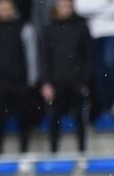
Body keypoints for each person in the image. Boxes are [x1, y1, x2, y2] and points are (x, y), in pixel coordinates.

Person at [0, 0, 39, 154]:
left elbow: (31, 54)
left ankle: (24, 152)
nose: (4, 12)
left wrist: (32, 78)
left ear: (13, 9)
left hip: (19, 80)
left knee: (23, 119)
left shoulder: (24, 27)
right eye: (1, 9)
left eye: (7, 8)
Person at [39, 0, 92, 153]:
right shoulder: (49, 29)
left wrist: (84, 80)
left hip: (76, 81)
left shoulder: (81, 28)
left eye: (68, 5)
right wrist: (46, 82)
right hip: (56, 82)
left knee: (80, 119)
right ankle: (54, 153)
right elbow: (44, 58)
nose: (65, 9)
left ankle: (82, 152)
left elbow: (88, 56)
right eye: (62, 5)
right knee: (55, 119)